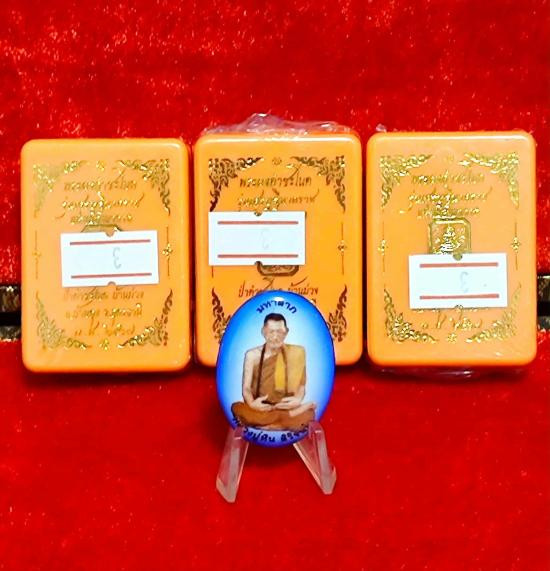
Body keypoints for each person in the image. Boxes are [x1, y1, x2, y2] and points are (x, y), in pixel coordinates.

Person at [231, 313, 315, 431]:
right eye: (271, 332)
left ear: (286, 332)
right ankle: (280, 422)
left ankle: (270, 423)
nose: (275, 337)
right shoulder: (252, 355)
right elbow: (246, 388)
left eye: (280, 332)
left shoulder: (295, 353)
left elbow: (301, 385)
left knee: (309, 414)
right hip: (261, 408)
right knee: (237, 407)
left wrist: (298, 399)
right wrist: (252, 404)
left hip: (285, 407)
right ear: (263, 332)